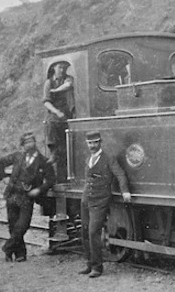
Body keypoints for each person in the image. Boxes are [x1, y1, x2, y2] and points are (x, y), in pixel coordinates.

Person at [0, 132, 55, 262]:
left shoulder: (43, 161)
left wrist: (39, 190)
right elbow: (0, 163)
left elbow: (51, 180)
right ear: (23, 145)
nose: (29, 144)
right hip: (12, 194)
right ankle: (19, 254)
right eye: (26, 142)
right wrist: (3, 177)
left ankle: (7, 247)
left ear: (35, 143)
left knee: (22, 225)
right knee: (13, 225)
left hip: (27, 197)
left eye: (31, 141)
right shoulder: (17, 156)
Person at [79, 131, 131, 278]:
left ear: (100, 142)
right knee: (84, 232)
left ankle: (97, 267)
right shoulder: (88, 158)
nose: (93, 146)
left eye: (95, 143)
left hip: (100, 201)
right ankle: (89, 264)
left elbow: (120, 174)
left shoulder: (109, 158)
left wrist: (125, 191)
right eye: (90, 143)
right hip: (86, 200)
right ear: (87, 144)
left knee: (93, 232)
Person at [43, 60, 75, 181]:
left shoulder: (68, 78)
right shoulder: (48, 82)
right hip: (55, 111)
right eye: (60, 67)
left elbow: (68, 85)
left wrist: (55, 91)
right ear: (54, 68)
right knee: (51, 122)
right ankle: (53, 152)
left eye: (64, 68)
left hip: (67, 111)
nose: (62, 70)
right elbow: (46, 102)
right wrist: (56, 112)